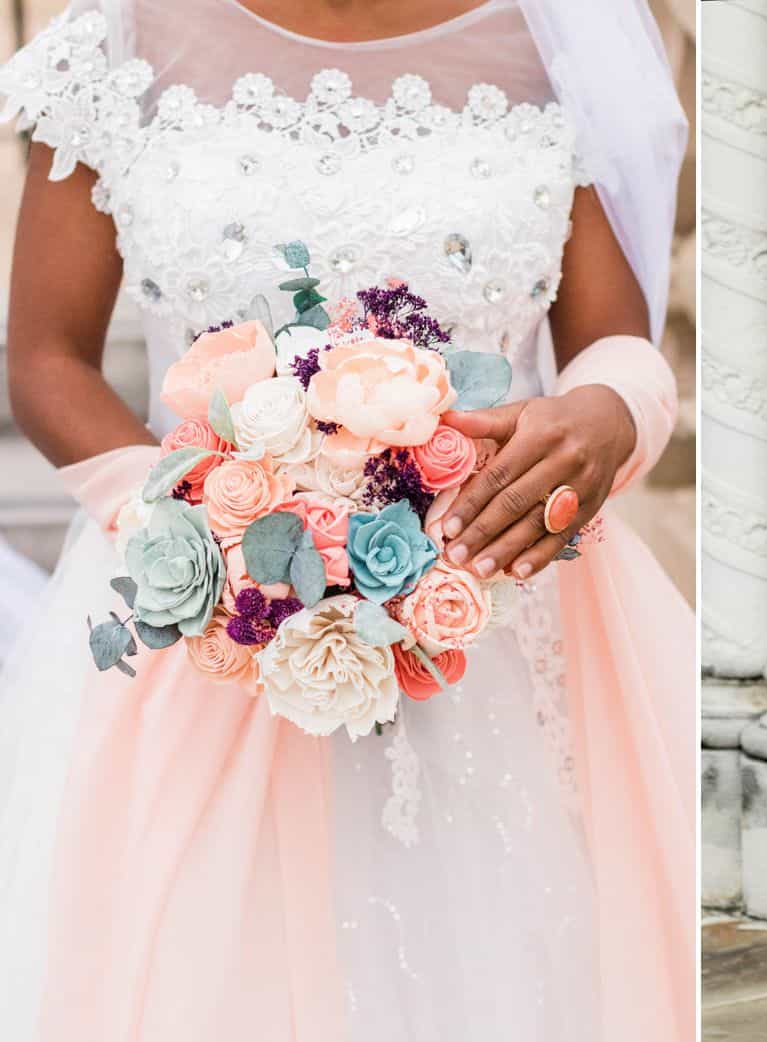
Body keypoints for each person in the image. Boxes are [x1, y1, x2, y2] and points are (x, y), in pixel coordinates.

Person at [0, 1, 693, 1039]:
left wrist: (610, 409)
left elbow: (616, 346)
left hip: (494, 619)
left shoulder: (564, 41)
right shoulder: (122, 42)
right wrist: (197, 529)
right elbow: (47, 354)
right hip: (209, 641)